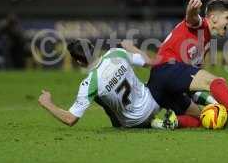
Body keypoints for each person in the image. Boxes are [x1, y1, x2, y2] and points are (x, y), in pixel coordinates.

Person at [145, 0, 228, 127]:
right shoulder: (201, 25)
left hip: (161, 87)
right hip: (166, 68)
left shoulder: (206, 42)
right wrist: (191, 10)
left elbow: (192, 89)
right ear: (214, 18)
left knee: (204, 119)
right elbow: (191, 19)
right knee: (216, 81)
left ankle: (165, 123)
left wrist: (214, 104)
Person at [37, 39, 178, 129]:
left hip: (135, 123)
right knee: (159, 76)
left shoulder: (89, 84)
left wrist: (47, 103)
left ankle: (147, 124)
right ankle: (192, 96)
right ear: (94, 48)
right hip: (153, 104)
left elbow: (70, 119)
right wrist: (131, 47)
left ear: (79, 62)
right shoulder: (116, 53)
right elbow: (148, 62)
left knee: (99, 96)